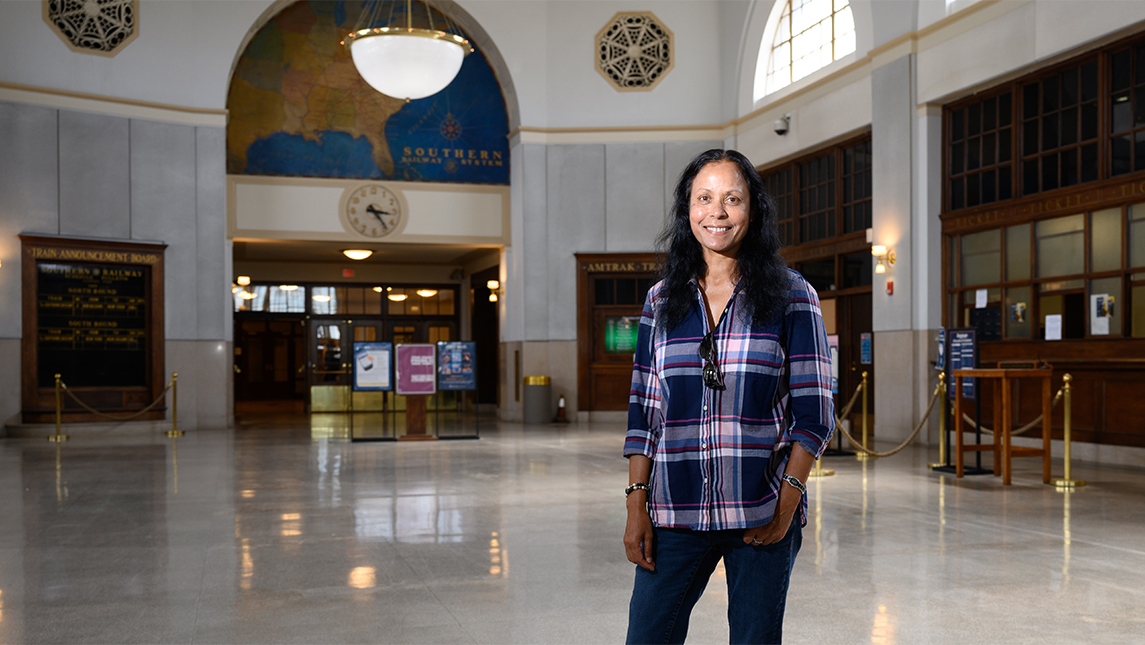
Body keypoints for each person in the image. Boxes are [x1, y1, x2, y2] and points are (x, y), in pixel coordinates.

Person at [623, 149, 835, 644]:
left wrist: (788, 503)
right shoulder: (661, 300)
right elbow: (644, 410)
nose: (717, 212)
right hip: (675, 511)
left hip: (761, 511)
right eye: (704, 198)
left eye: (732, 199)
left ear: (753, 210)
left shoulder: (792, 295)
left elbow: (815, 411)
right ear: (687, 210)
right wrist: (637, 504)